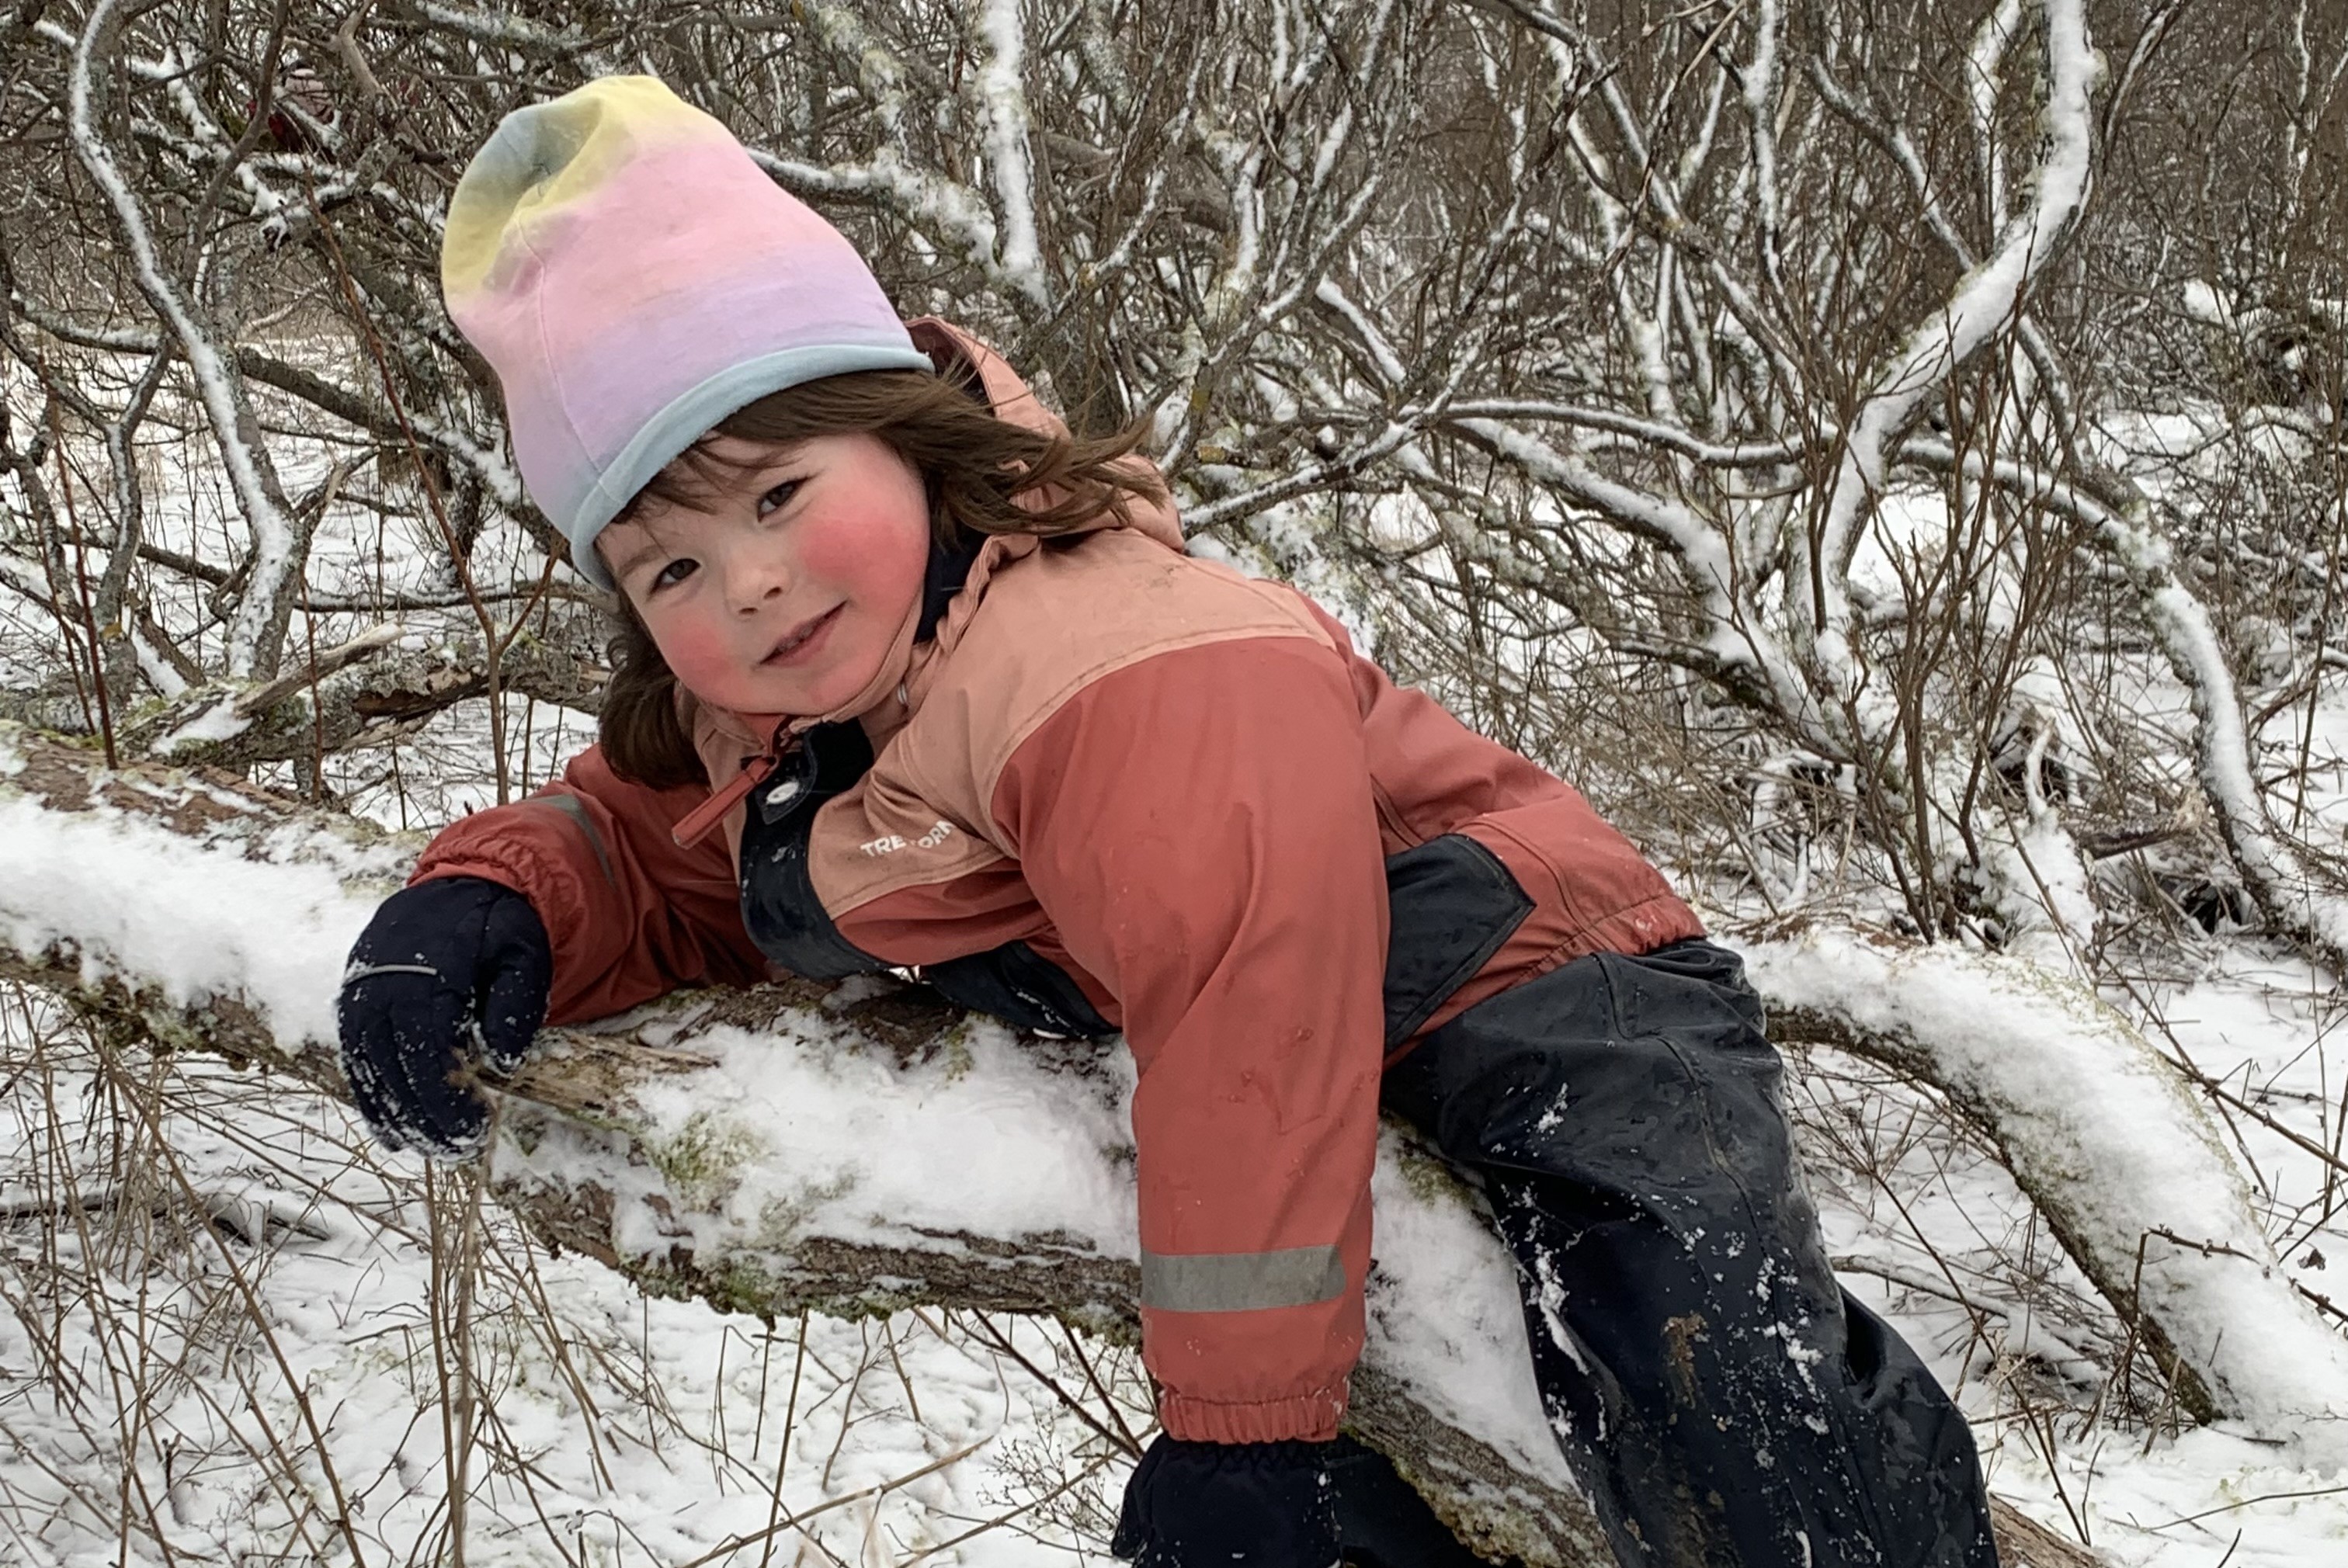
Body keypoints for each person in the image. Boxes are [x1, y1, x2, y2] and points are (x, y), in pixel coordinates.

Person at [335, 75, 2001, 1568]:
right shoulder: (797, 712)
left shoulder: (1116, 657)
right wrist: (495, 905)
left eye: (781, 493)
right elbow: (670, 862)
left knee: (1713, 1382)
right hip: (1271, 1061)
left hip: (1537, 980)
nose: (750, 581)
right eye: (672, 564)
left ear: (916, 439)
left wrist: (1243, 1432)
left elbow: (1253, 1006)